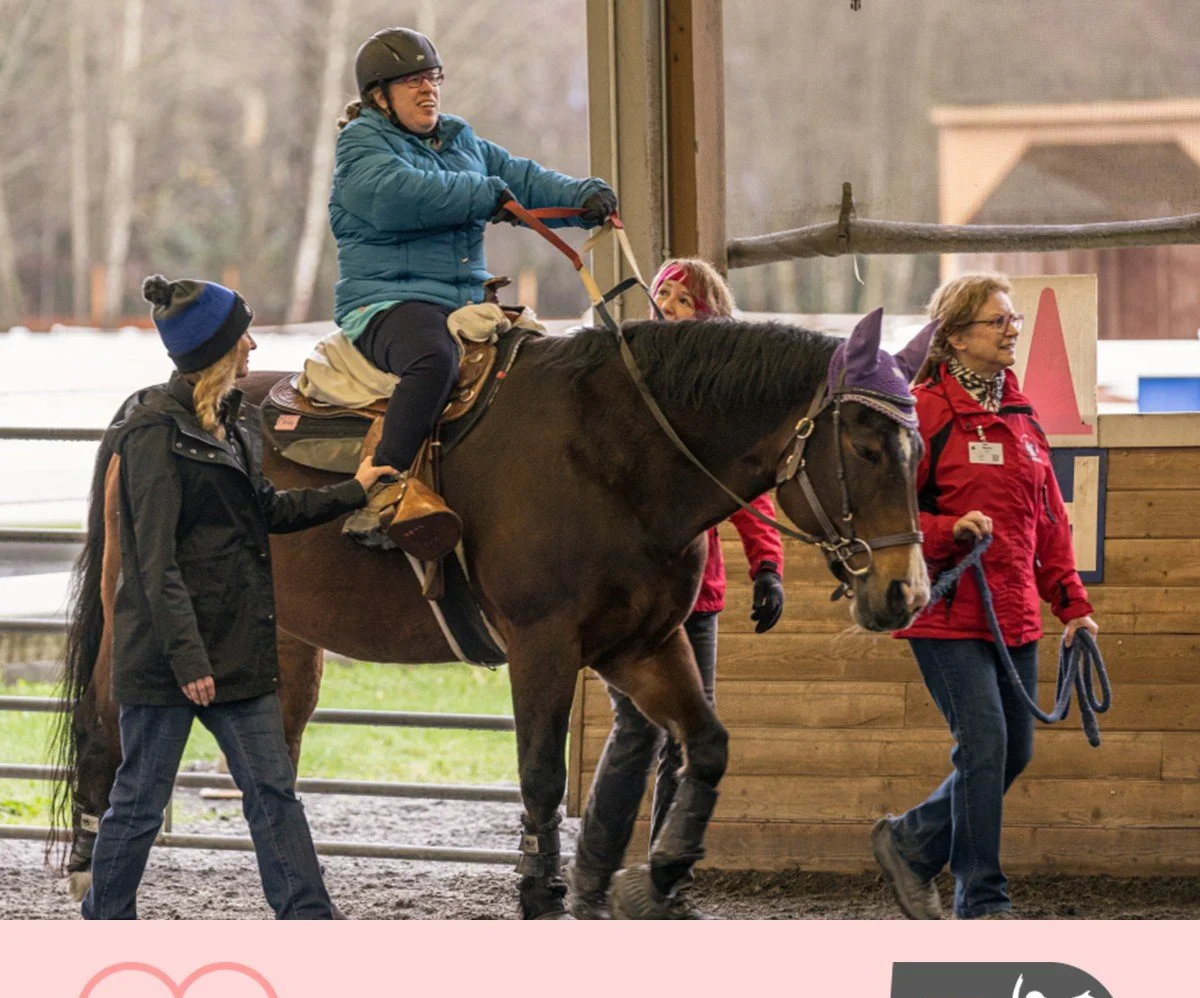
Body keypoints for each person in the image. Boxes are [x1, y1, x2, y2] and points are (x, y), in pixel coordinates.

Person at [81, 275, 395, 920]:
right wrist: (188, 660)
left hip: (235, 648)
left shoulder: (235, 423)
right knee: (139, 803)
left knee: (273, 792)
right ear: (215, 351)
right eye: (241, 336)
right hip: (171, 658)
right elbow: (153, 562)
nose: (252, 345)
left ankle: (307, 918)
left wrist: (356, 491)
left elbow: (268, 511)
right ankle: (103, 922)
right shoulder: (151, 435)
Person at [331, 26, 618, 552]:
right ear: (379, 97)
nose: (429, 90)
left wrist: (584, 198)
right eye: (413, 81)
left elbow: (520, 179)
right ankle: (383, 489)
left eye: (433, 78)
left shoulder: (459, 138)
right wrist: (483, 194)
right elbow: (398, 197)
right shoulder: (360, 145)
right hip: (388, 302)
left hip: (462, 302)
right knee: (433, 359)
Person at [871, 273, 1099, 921]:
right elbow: (887, 516)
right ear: (955, 336)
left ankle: (911, 841)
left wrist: (1073, 606)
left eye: (1013, 320)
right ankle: (982, 897)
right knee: (985, 745)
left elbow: (1049, 521)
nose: (1011, 331)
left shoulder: (1022, 416)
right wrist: (948, 530)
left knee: (1012, 751)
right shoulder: (923, 412)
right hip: (947, 609)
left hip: (1014, 611)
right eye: (997, 321)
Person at [566, 258, 785, 919]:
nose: (666, 304)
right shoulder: (635, 383)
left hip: (698, 592)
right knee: (639, 728)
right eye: (662, 294)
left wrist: (768, 565)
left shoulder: (716, 402)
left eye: (682, 298)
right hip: (633, 591)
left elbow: (746, 490)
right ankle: (592, 877)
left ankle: (659, 883)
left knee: (686, 736)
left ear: (707, 309)